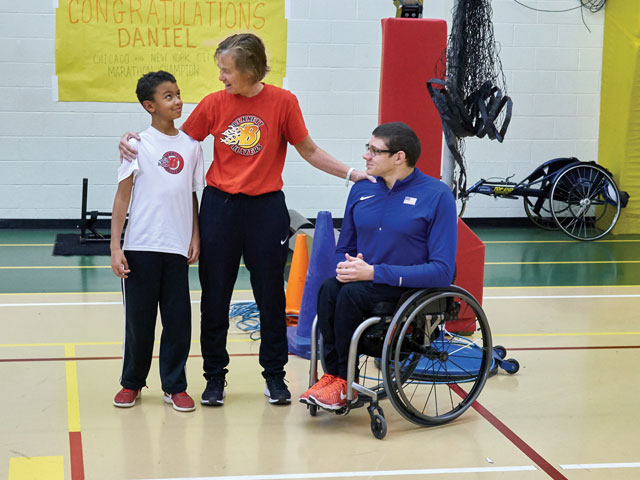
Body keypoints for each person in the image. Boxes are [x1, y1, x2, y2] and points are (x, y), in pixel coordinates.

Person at [118, 33, 372, 407]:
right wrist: (131, 141)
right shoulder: (213, 104)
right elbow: (170, 142)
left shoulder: (283, 102)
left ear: (250, 69)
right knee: (215, 298)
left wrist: (353, 174)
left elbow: (310, 150)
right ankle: (215, 378)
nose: (221, 77)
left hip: (266, 209)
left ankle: (274, 376)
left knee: (270, 296)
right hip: (220, 208)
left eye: (226, 70)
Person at [299, 121, 458, 411]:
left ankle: (343, 382)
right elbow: (345, 248)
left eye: (375, 150)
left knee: (350, 295)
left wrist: (373, 272)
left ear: (399, 157)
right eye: (367, 148)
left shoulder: (436, 196)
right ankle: (334, 377)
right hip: (365, 279)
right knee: (329, 289)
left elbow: (443, 270)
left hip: (406, 288)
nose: (366, 156)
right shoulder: (362, 191)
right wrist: (347, 267)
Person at [111, 70, 205, 412]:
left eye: (178, 94)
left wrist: (195, 233)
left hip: (176, 247)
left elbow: (191, 195)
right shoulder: (136, 144)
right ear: (150, 105)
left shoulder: (193, 146)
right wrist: (115, 246)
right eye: (169, 96)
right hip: (140, 247)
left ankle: (174, 385)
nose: (178, 101)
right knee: (139, 321)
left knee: (178, 320)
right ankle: (131, 383)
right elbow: (122, 197)